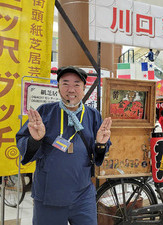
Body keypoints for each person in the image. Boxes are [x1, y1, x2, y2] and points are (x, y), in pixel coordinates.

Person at [16, 66, 112, 225]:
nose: (71, 89)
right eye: (65, 83)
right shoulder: (45, 111)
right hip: (49, 196)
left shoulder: (92, 114)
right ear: (58, 87)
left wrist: (101, 144)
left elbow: (98, 155)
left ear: (84, 88)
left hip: (83, 195)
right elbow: (22, 141)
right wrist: (35, 140)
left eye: (76, 84)